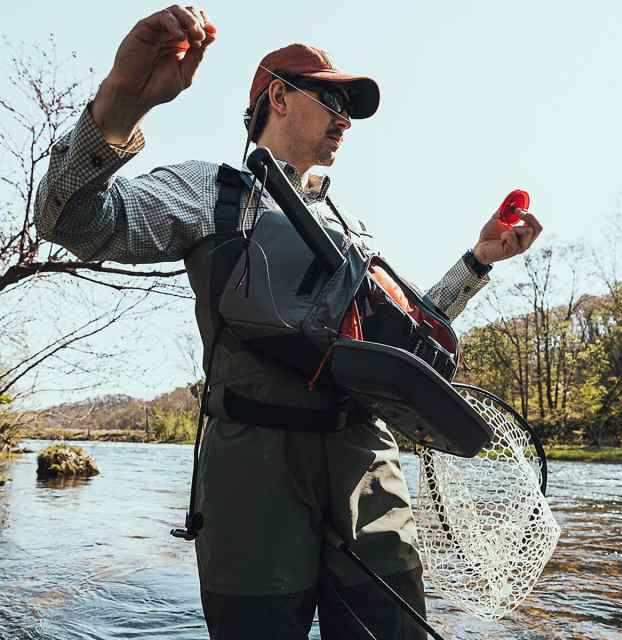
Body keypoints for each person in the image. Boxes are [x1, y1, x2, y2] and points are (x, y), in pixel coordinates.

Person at [34, 5, 543, 639]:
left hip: (367, 466)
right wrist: (120, 106)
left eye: (351, 109)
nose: (345, 120)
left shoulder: (353, 231)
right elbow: (70, 223)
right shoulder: (205, 194)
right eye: (333, 100)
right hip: (253, 472)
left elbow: (407, 334)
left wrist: (478, 261)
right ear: (278, 95)